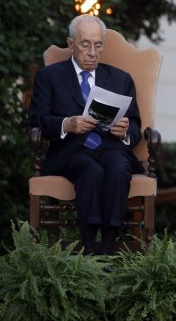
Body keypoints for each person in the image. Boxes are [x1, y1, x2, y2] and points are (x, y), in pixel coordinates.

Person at [28, 15, 143, 254]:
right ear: (71, 44)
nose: (92, 52)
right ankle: (90, 252)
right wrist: (67, 124)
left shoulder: (121, 79)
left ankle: (109, 248)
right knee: (90, 170)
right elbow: (36, 120)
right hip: (71, 151)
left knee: (118, 167)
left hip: (111, 147)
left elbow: (135, 125)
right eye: (85, 44)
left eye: (98, 45)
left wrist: (124, 132)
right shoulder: (49, 77)